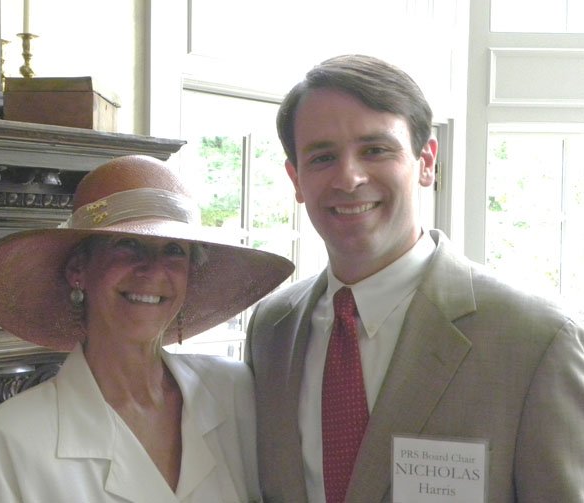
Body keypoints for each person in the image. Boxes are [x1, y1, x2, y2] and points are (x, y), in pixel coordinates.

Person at [244, 54, 584, 502]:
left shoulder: (536, 339)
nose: (349, 177)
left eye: (375, 149)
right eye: (323, 156)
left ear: (426, 162)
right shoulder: (271, 330)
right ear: (296, 179)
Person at [0, 154, 294, 503]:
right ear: (79, 269)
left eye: (173, 250)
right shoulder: (13, 437)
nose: (152, 271)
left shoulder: (233, 390)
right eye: (127, 244)